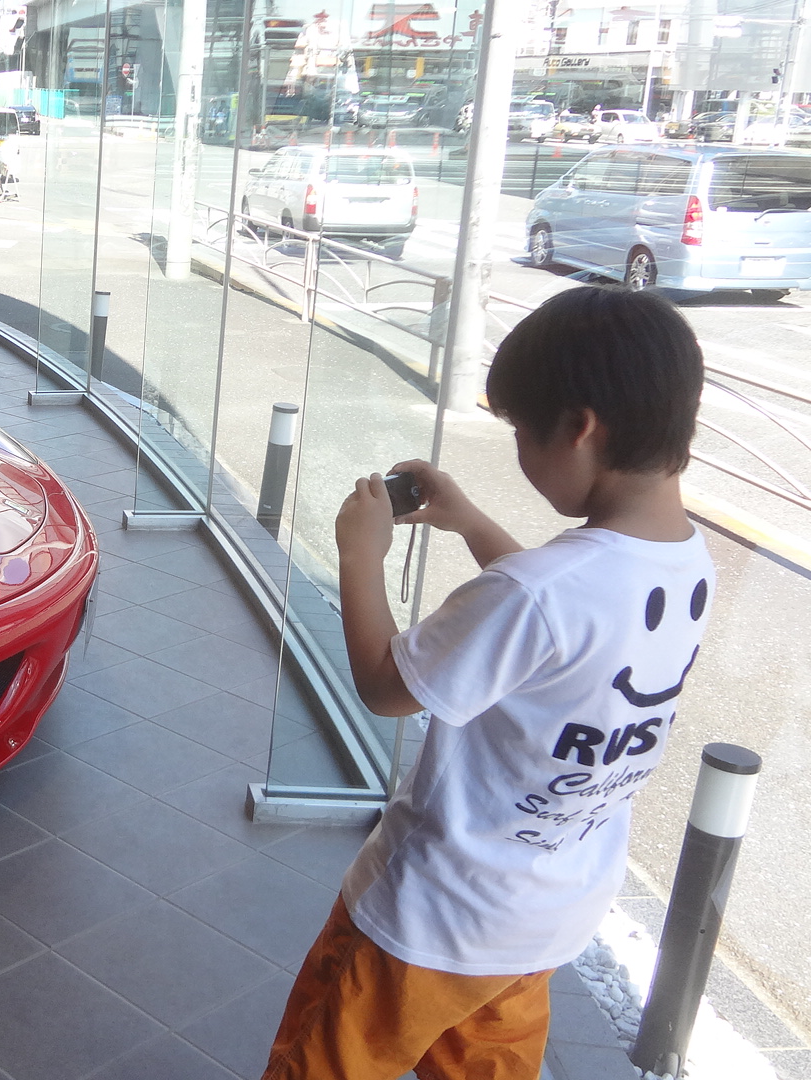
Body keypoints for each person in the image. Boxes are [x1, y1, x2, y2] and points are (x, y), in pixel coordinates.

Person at [261, 286, 714, 1080]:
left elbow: (385, 685)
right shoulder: (685, 562)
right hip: (541, 924)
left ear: (579, 428)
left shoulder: (535, 594)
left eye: (520, 431)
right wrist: (468, 520)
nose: (519, 450)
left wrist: (360, 554)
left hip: (428, 921)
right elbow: (557, 622)